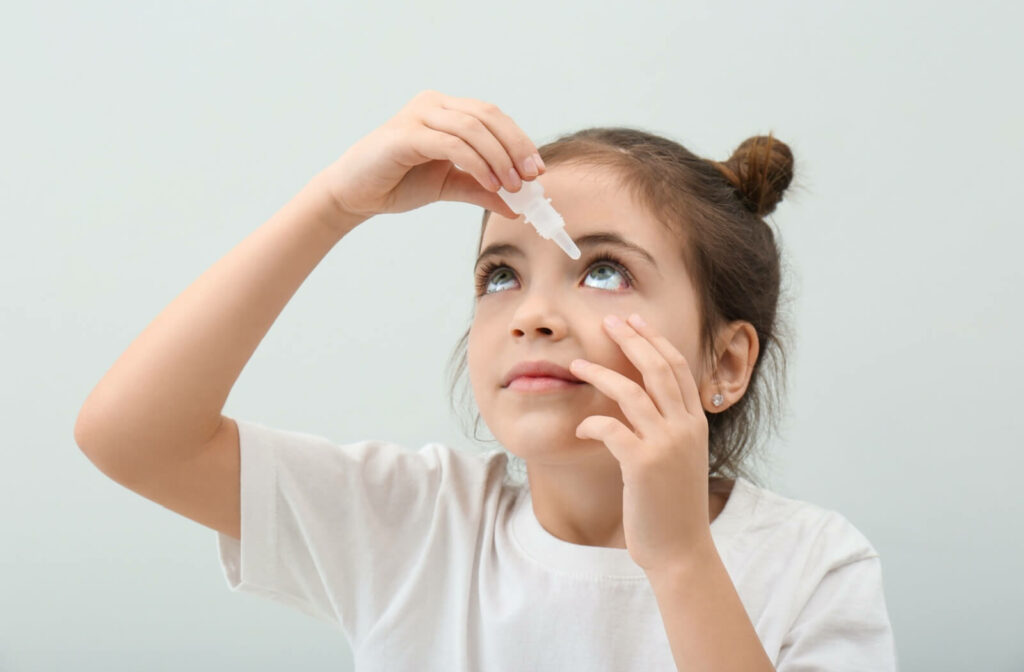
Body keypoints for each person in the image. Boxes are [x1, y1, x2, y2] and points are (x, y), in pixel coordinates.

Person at [74, 90, 898, 670]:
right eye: (500, 275)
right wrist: (335, 204)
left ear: (724, 364)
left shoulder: (811, 566)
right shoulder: (414, 528)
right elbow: (130, 438)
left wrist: (681, 559)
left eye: (604, 271)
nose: (532, 314)